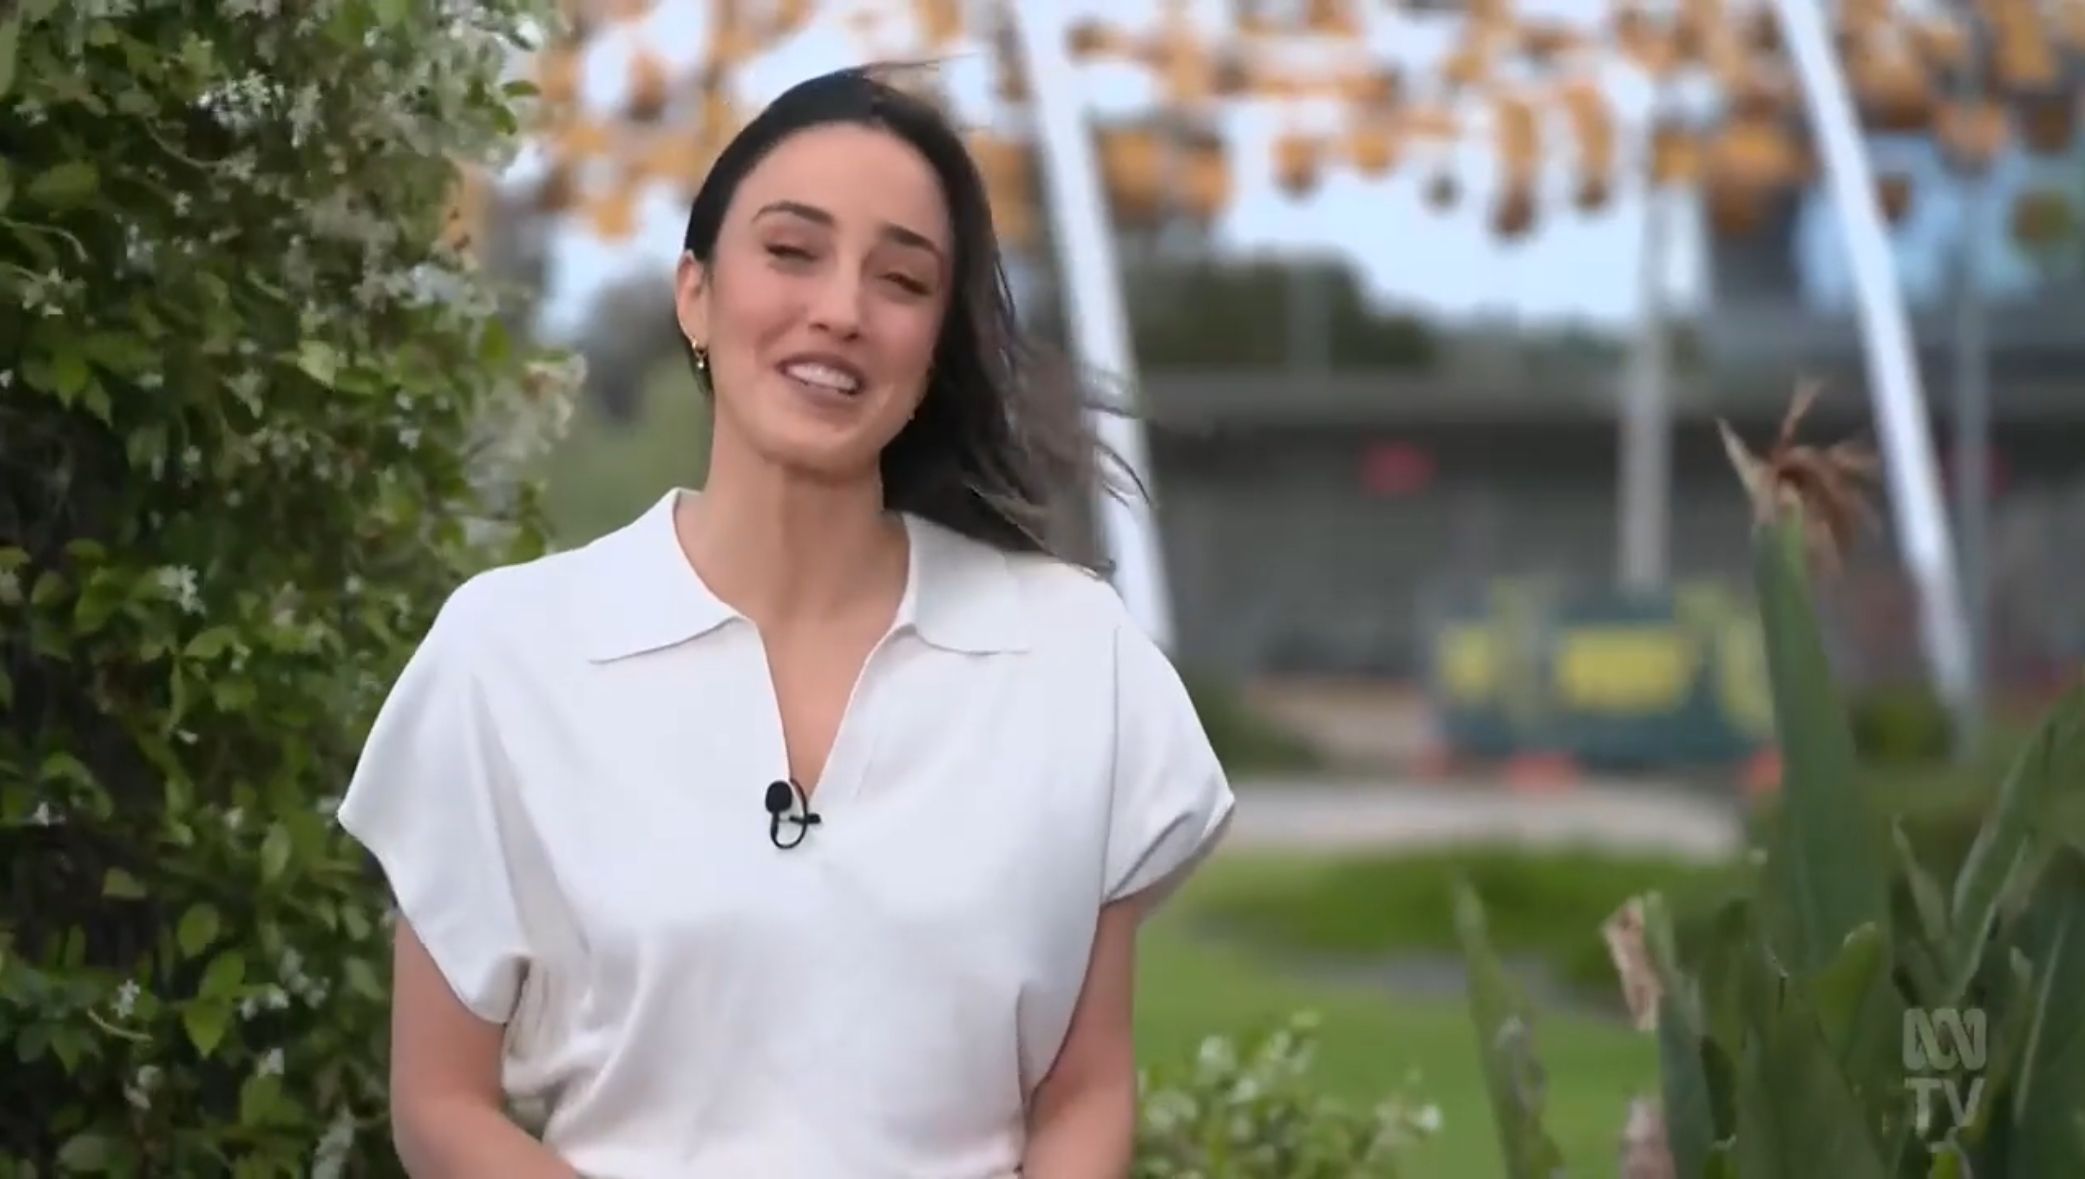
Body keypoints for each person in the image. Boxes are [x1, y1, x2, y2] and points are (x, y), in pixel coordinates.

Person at [335, 65, 1234, 1178]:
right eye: (792, 251)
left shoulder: (1076, 659)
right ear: (696, 293)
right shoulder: (505, 653)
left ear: (934, 344)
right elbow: (440, 1104)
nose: (842, 311)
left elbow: (1084, 1093)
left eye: (901, 279)